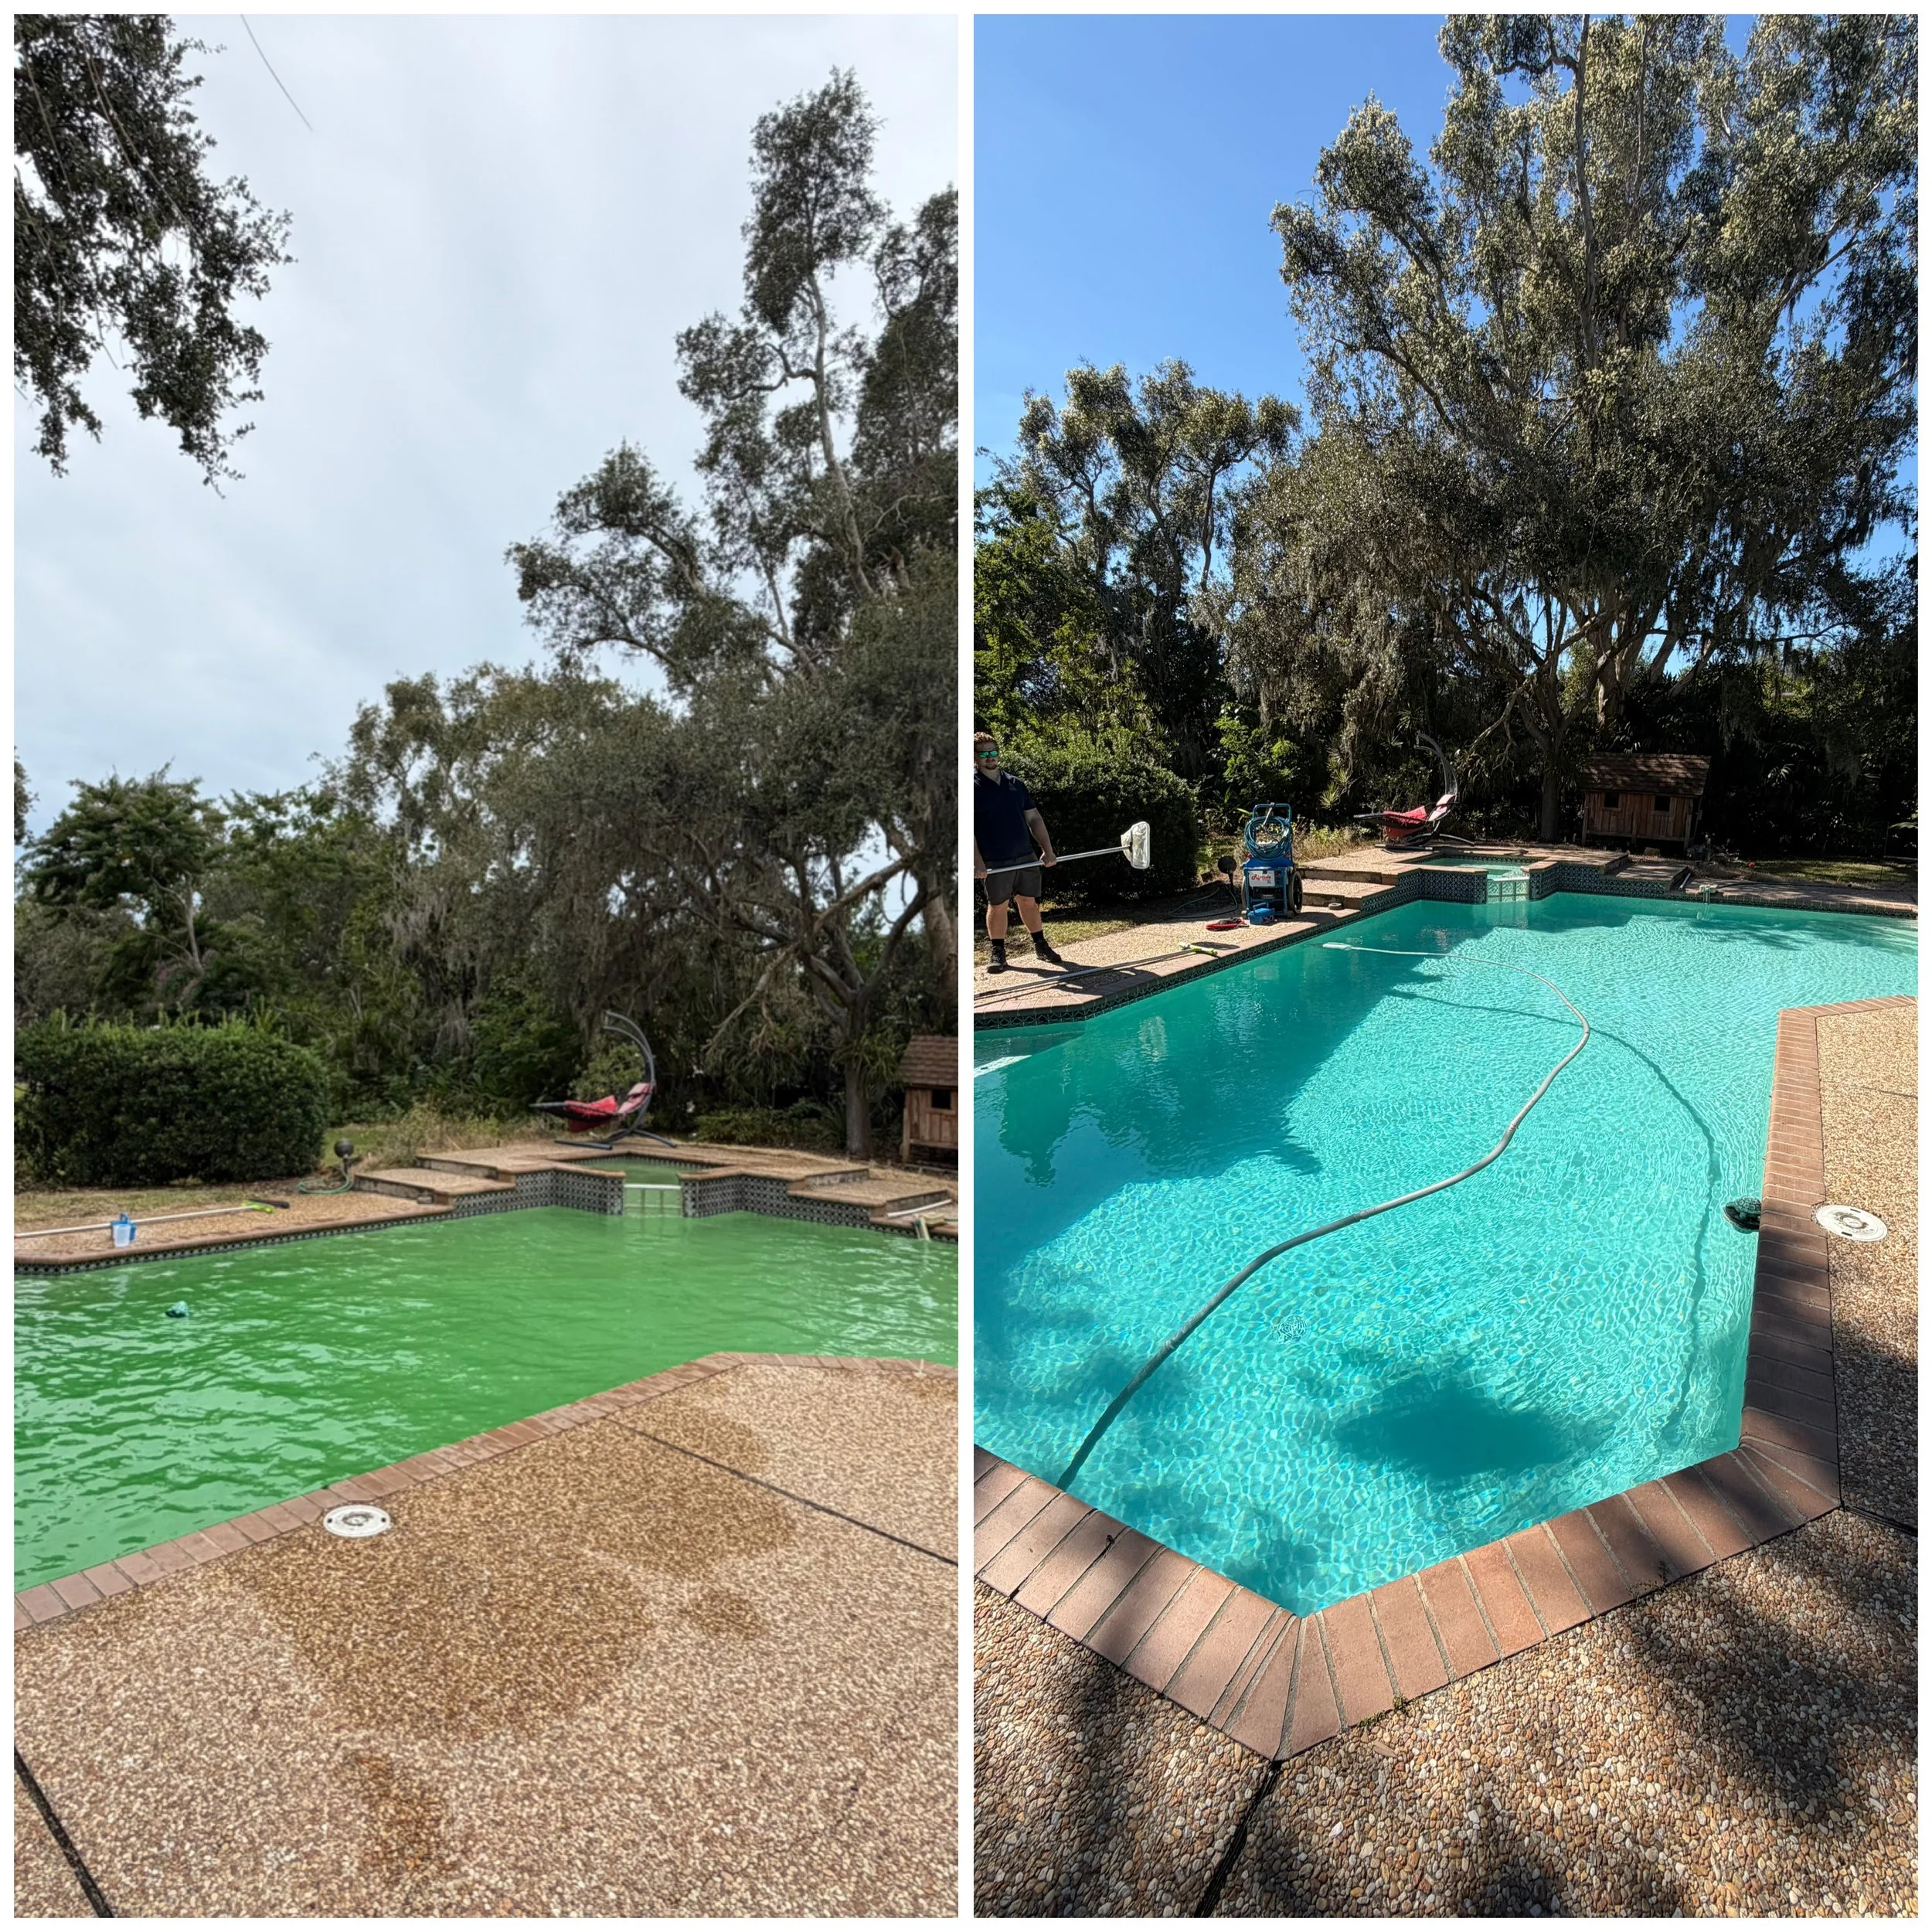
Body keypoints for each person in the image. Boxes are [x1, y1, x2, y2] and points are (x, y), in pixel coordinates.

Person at [971, 732, 1064, 972]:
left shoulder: (1015, 784)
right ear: (975, 757)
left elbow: (1033, 818)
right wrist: (978, 863)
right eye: (984, 754)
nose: (990, 757)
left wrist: (1048, 850)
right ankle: (998, 952)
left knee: (1028, 902)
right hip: (994, 859)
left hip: (1024, 855)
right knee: (998, 904)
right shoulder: (971, 788)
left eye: (993, 752)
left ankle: (1041, 945)